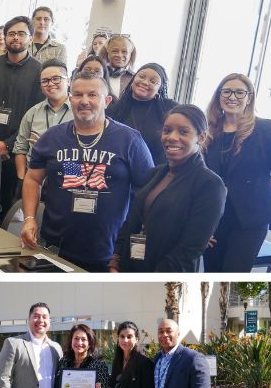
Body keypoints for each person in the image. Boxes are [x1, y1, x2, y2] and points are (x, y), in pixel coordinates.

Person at [21, 71, 154, 272]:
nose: (84, 101)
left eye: (93, 95)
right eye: (78, 95)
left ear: (107, 101)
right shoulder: (52, 137)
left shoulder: (130, 140)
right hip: (55, 247)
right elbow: (32, 178)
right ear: (70, 98)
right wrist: (29, 219)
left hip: (107, 252)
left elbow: (147, 191)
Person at [203, 73, 271, 272]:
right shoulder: (209, 129)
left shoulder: (264, 127)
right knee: (211, 274)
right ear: (218, 96)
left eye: (240, 92)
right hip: (216, 216)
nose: (232, 97)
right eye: (227, 91)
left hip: (250, 218)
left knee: (233, 278)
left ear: (249, 98)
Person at [111, 104, 226, 272]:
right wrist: (115, 262)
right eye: (167, 130)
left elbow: (187, 252)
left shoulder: (210, 185)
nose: (172, 137)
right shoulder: (155, 173)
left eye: (183, 132)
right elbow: (131, 223)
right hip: (129, 268)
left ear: (200, 138)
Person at [0, 15, 44, 217]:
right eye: (11, 33)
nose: (15, 38)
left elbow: (35, 115)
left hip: (18, 152)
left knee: (8, 206)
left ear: (30, 38)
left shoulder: (39, 71)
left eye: (21, 33)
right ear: (4, 37)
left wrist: (8, 144)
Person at [107, 62, 178, 166]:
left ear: (160, 89)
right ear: (133, 80)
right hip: (120, 169)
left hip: (156, 171)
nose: (145, 82)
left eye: (153, 81)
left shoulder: (170, 109)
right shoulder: (115, 109)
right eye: (141, 76)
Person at [13, 59, 71, 181]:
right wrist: (23, 179)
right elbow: (20, 149)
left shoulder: (80, 112)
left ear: (68, 81)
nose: (50, 84)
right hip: (34, 180)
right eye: (45, 81)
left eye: (56, 78)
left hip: (68, 180)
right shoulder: (32, 113)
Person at [98, 34, 136, 99]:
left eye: (124, 52)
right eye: (115, 51)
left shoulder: (134, 78)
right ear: (107, 52)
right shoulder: (98, 74)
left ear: (130, 55)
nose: (119, 55)